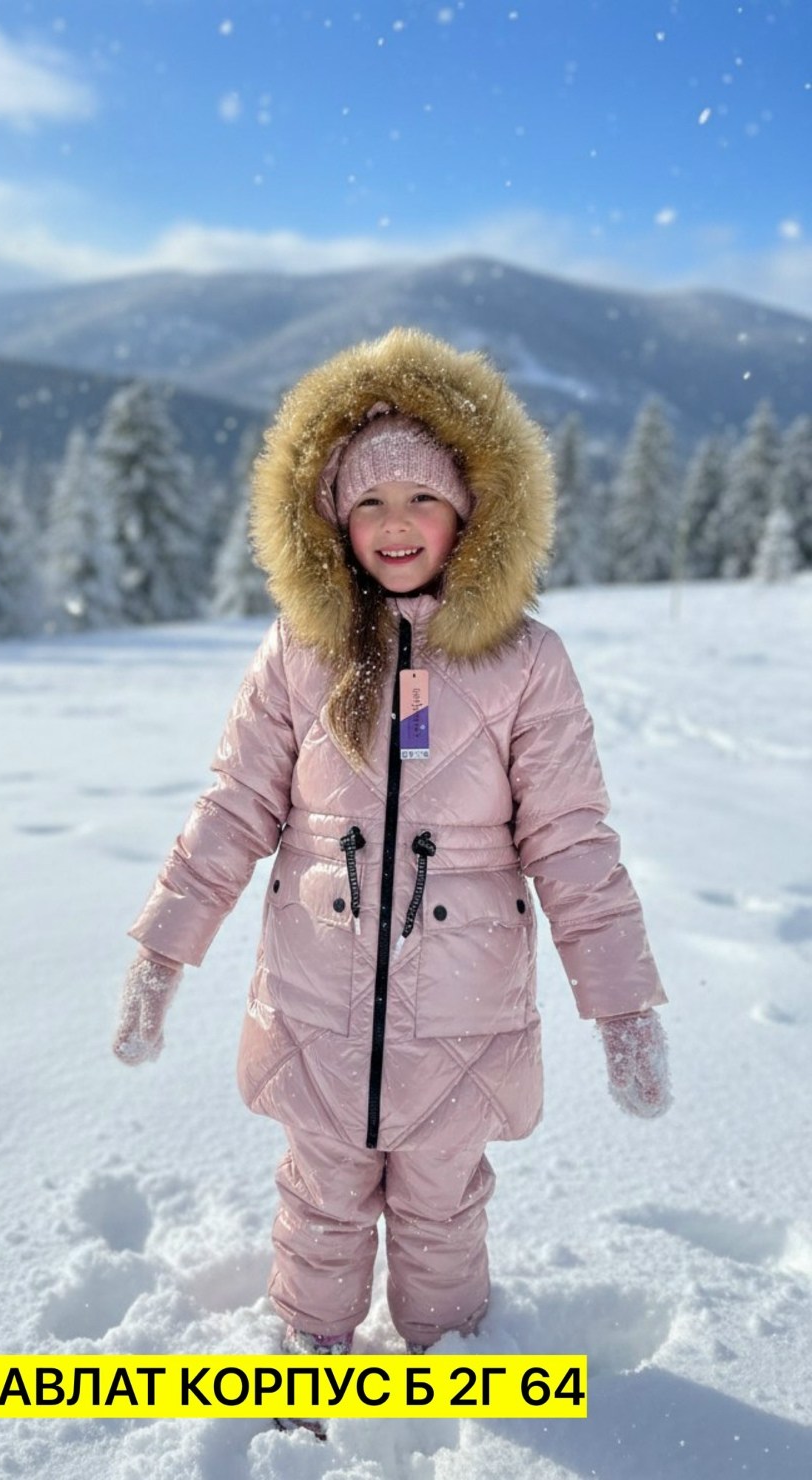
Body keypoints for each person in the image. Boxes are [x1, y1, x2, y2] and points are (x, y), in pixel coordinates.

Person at [113, 327, 671, 1372]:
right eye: (367, 502)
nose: (395, 524)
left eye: (421, 498)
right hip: (319, 1004)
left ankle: (444, 1357)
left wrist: (624, 1001)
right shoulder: (299, 649)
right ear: (329, 521)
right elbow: (236, 805)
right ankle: (308, 1351)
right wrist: (164, 947)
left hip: (461, 1012)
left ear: (472, 511)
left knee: (442, 1205)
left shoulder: (526, 664)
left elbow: (573, 842)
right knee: (320, 1195)